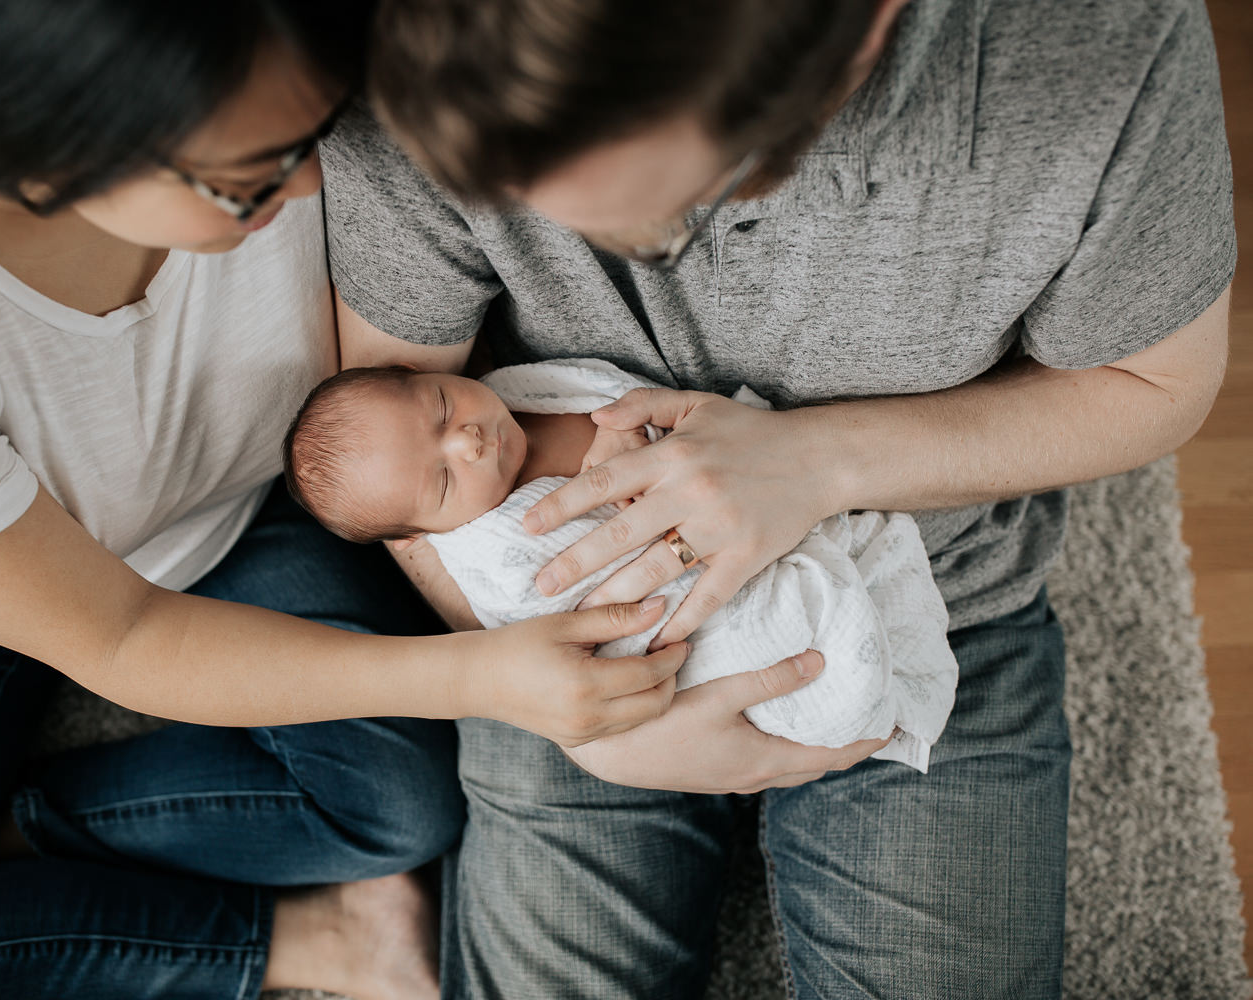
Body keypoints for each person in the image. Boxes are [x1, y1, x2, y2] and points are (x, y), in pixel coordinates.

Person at [0, 2, 773, 997]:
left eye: (310, 141)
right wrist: (482, 674)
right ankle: (288, 941)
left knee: (396, 805)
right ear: (53, 153)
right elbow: (124, 636)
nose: (299, 197)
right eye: (249, 184)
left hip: (242, 496)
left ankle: (12, 829)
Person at [320, 0, 1235, 996]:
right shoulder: (434, 42)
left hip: (930, 587)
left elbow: (1157, 385)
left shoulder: (1096, 48)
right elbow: (402, 468)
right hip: (570, 640)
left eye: (650, 227)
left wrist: (818, 462)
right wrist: (580, 715)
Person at [282, 358, 957, 769]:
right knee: (811, 644)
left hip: (759, 495)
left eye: (438, 405)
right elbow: (576, 616)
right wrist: (628, 523)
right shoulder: (496, 555)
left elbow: (626, 400)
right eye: (441, 483)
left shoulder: (527, 391)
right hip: (692, 627)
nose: (466, 439)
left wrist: (630, 433)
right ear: (421, 536)